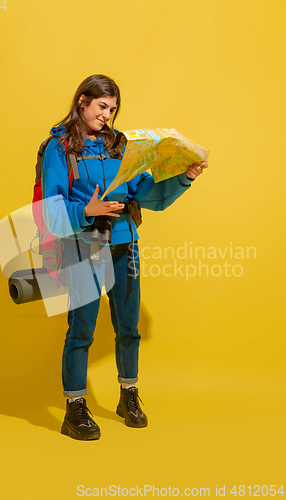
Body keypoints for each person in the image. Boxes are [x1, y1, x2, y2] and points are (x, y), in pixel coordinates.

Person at [41, 74, 208, 440]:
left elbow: (145, 192)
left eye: (112, 109)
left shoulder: (120, 146)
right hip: (83, 244)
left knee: (128, 326)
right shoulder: (59, 148)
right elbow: (49, 209)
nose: (107, 116)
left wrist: (184, 177)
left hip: (124, 244)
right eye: (102, 107)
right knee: (82, 329)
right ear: (82, 101)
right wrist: (89, 209)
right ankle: (75, 408)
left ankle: (128, 396)